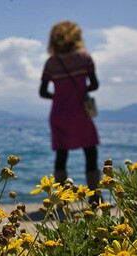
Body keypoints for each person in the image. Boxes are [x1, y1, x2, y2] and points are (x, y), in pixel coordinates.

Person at [39, 20, 100, 203]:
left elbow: (42, 92)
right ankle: (94, 197)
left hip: (59, 114)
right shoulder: (84, 58)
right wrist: (80, 91)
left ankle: (60, 199)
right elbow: (95, 84)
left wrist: (59, 97)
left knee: (61, 155)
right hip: (80, 112)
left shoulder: (51, 63)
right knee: (90, 152)